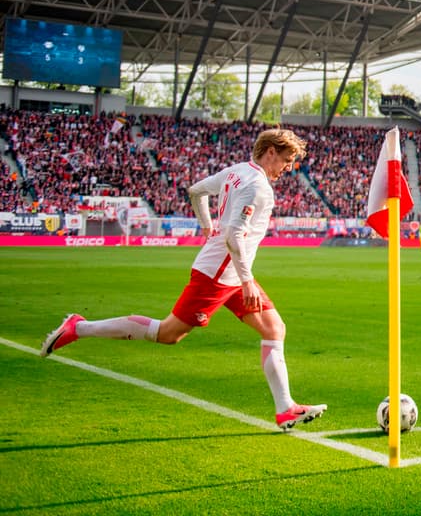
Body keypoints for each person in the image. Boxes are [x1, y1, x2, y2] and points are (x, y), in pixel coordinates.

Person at [40, 128, 327, 430]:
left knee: (274, 327)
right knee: (167, 334)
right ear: (270, 152)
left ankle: (286, 408)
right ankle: (79, 327)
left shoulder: (237, 171)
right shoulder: (257, 186)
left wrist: (206, 228)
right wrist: (246, 280)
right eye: (286, 159)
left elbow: (195, 191)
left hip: (228, 272)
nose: (288, 168)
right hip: (219, 276)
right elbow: (232, 233)